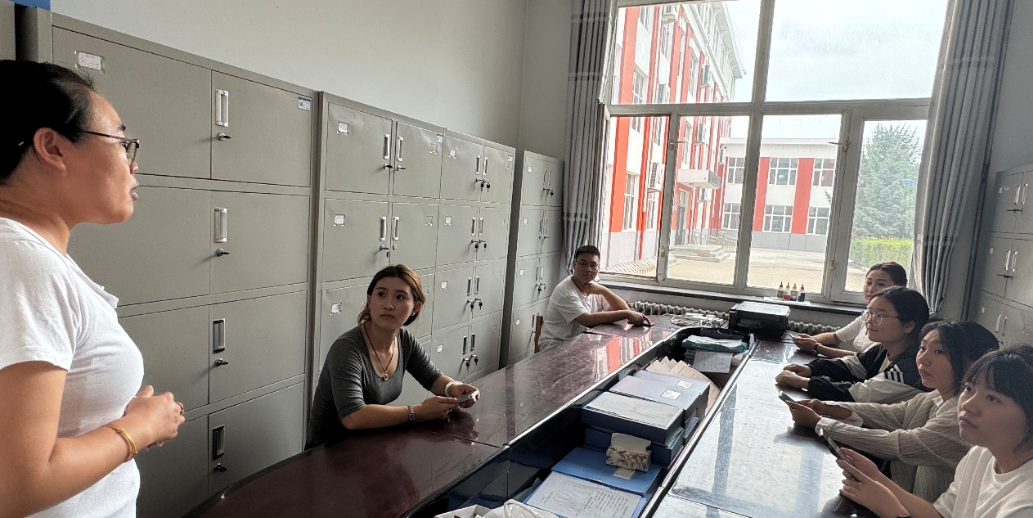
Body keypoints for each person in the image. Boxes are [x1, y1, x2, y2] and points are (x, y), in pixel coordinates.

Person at [0, 60, 185, 518]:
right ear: (52, 147)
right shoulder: (22, 263)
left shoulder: (27, 256)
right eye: (121, 143)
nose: (133, 162)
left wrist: (118, 422)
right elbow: (18, 486)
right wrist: (139, 428)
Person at [785, 321, 999, 501]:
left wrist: (820, 423)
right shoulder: (936, 395)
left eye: (939, 351)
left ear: (973, 364)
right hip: (909, 500)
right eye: (922, 348)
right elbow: (892, 414)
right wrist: (827, 408)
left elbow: (899, 445)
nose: (923, 359)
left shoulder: (961, 415)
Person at [837, 346, 1033, 518]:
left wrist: (893, 512)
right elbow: (941, 514)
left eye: (992, 398)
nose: (968, 405)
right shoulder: (981, 454)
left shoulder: (1026, 505)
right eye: (969, 388)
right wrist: (877, 479)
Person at [307, 264, 480, 447]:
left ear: (415, 307)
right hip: (329, 451)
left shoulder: (404, 340)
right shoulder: (346, 349)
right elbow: (353, 417)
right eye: (381, 294)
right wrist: (417, 411)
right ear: (370, 301)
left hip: (371, 443)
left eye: (400, 297)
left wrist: (453, 388)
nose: (388, 305)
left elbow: (433, 378)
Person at [776, 286, 930, 403]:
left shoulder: (912, 366)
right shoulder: (883, 349)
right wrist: (811, 369)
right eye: (869, 313)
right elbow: (851, 365)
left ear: (908, 325)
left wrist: (804, 382)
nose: (869, 321)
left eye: (880, 315)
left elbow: (859, 395)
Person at [538, 245, 649, 350]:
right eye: (583, 264)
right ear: (574, 265)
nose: (588, 269)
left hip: (580, 344)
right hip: (556, 346)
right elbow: (587, 320)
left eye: (593, 265)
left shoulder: (595, 288)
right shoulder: (565, 291)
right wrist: (626, 314)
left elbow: (623, 308)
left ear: (598, 268)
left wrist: (604, 291)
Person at [793, 262, 908, 358]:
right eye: (868, 283)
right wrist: (809, 340)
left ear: (898, 288)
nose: (871, 289)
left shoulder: (894, 322)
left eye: (880, 284)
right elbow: (836, 336)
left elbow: (865, 359)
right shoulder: (867, 315)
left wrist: (816, 347)